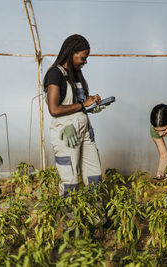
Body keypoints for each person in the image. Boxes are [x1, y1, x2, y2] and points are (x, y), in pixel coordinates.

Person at [43, 34, 103, 198]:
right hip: (67, 132)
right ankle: (71, 221)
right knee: (70, 180)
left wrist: (92, 105)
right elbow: (54, 109)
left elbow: (77, 106)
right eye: (83, 58)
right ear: (72, 53)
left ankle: (97, 219)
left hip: (83, 130)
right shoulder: (55, 74)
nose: (85, 62)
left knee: (94, 176)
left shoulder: (76, 74)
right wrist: (83, 105)